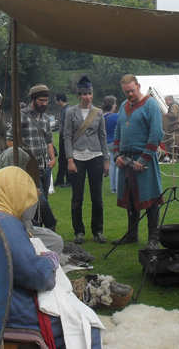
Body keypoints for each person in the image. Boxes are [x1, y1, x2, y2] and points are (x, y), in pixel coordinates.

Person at [0, 167, 103, 348]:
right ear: (12, 193)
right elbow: (38, 277)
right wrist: (50, 260)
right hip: (9, 308)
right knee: (87, 325)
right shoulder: (4, 223)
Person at [110, 74, 163, 249]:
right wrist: (117, 155)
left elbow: (156, 134)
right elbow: (118, 131)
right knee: (131, 198)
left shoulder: (151, 105)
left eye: (132, 90)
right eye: (126, 92)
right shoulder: (124, 106)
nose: (130, 94)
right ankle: (132, 235)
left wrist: (144, 158)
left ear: (139, 86)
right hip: (126, 160)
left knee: (150, 199)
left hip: (144, 160)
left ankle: (153, 239)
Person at [64, 75, 109, 244]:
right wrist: (70, 159)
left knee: (97, 197)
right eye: (84, 94)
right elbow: (67, 136)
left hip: (96, 156)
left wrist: (106, 160)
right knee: (77, 197)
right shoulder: (70, 112)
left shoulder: (98, 112)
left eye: (89, 93)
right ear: (78, 95)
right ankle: (79, 232)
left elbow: (102, 137)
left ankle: (98, 231)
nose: (87, 97)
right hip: (77, 157)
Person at [7, 84, 58, 231]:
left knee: (42, 203)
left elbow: (48, 140)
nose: (44, 103)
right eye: (41, 100)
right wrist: (23, 159)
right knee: (39, 202)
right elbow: (10, 140)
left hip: (45, 166)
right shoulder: (21, 116)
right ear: (33, 99)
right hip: (30, 168)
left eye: (47, 100)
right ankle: (51, 226)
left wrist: (53, 159)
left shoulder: (46, 118)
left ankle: (39, 232)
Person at [54, 92, 71, 188]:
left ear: (60, 100)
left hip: (65, 138)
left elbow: (68, 126)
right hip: (62, 137)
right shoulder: (64, 110)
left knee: (67, 159)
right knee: (62, 159)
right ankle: (60, 179)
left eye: (56, 100)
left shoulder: (67, 110)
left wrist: (65, 138)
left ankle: (69, 180)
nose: (56, 102)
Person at [102, 95, 119, 194]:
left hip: (107, 142)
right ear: (112, 105)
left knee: (113, 164)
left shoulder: (102, 117)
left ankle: (113, 188)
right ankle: (117, 188)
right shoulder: (116, 116)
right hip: (116, 142)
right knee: (118, 165)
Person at [164, 95, 179, 163]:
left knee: (178, 143)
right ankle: (175, 157)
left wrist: (167, 114)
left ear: (170, 100)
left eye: (166, 100)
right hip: (172, 127)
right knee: (173, 143)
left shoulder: (174, 106)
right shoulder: (173, 106)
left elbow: (174, 114)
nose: (166, 102)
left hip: (175, 127)